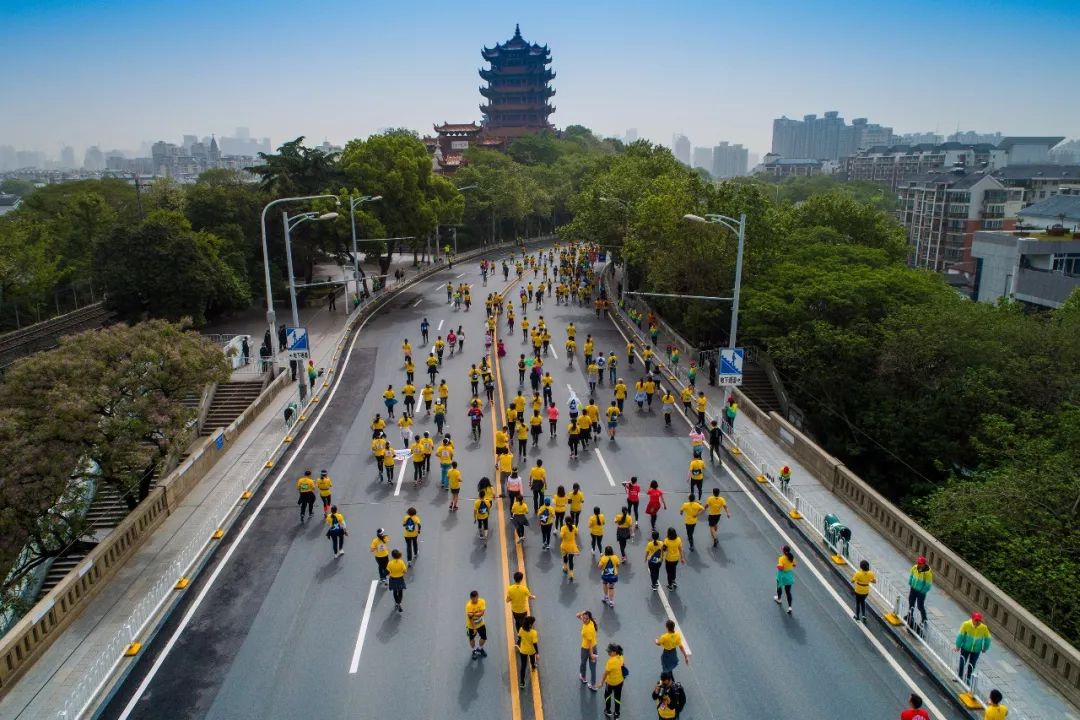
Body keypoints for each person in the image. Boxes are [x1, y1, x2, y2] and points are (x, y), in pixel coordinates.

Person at [955, 612, 992, 684]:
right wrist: (958, 646)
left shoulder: (984, 628)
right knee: (962, 662)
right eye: (976, 620)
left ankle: (968, 678)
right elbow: (960, 636)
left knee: (971, 665)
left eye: (979, 620)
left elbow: (988, 639)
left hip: (976, 650)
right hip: (966, 647)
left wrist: (985, 648)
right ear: (972, 619)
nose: (977, 622)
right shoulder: (966, 624)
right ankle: (959, 677)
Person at [600, 644, 626, 719]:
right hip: (620, 682)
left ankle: (608, 711)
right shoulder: (621, 657)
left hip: (610, 683)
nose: (608, 653)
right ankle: (617, 714)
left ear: (614, 652)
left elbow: (605, 673)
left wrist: (601, 682)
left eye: (609, 652)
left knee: (607, 696)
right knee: (617, 698)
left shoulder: (611, 662)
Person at [908, 556, 933, 628]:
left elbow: (928, 585)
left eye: (920, 563)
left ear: (924, 564)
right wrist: (910, 582)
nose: (919, 564)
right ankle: (910, 615)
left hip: (921, 592)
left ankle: (924, 618)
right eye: (918, 563)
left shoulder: (927, 573)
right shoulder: (914, 568)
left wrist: (922, 591)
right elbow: (911, 575)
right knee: (911, 602)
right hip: (913, 588)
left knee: (920, 606)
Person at [576, 610, 599, 690]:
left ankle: (583, 677)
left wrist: (592, 654)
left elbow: (589, 644)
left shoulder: (588, 629)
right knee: (593, 668)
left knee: (583, 663)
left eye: (586, 619)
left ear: (589, 618)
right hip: (594, 647)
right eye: (584, 618)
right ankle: (593, 685)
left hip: (587, 649)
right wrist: (584, 612)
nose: (584, 620)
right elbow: (577, 615)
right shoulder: (591, 622)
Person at [516, 616, 539, 689]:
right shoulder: (534, 633)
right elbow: (535, 644)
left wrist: (518, 644)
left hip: (523, 650)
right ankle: (533, 667)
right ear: (530, 624)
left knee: (523, 666)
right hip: (531, 650)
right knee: (532, 660)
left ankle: (522, 682)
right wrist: (537, 653)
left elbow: (519, 638)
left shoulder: (521, 629)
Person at [466, 590, 488, 659]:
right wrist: (474, 628)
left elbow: (482, 613)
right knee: (472, 639)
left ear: (478, 596)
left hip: (481, 623)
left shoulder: (482, 601)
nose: (475, 600)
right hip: (471, 626)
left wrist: (473, 614)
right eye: (474, 599)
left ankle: (480, 648)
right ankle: (474, 650)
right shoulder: (468, 606)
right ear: (471, 598)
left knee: (484, 638)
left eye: (476, 598)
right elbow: (470, 619)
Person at [775, 544, 796, 614]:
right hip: (789, 576)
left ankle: (779, 599)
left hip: (781, 576)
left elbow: (781, 567)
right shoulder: (792, 558)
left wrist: (778, 566)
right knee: (788, 592)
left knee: (779, 587)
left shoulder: (781, 558)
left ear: (784, 551)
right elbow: (794, 565)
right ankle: (790, 607)